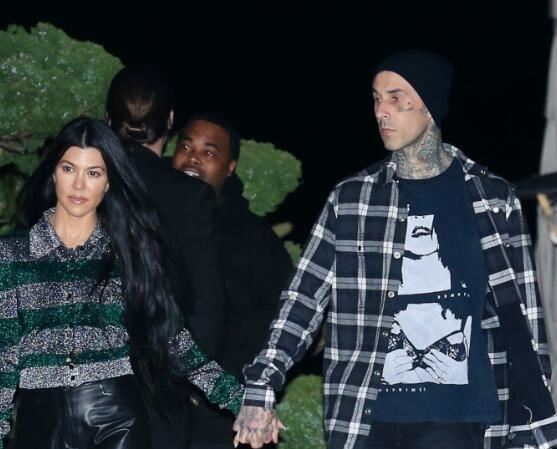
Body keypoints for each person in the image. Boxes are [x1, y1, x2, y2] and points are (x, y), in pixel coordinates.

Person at [233, 50, 557, 449]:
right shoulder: (352, 200)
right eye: (375, 98)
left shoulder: (492, 198)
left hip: (458, 418)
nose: (381, 111)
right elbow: (303, 299)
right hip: (367, 416)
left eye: (396, 98)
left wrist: (534, 422)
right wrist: (262, 383)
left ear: (430, 105)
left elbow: (522, 316)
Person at [3, 117, 243, 449]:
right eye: (69, 169)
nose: (79, 185)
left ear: (108, 182)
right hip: (41, 421)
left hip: (117, 418)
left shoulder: (127, 252)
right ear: (54, 173)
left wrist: (241, 401)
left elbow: (172, 339)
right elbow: (4, 354)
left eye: (93, 173)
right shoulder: (13, 254)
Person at [106, 66, 228, 449]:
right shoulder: (190, 197)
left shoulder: (76, 184)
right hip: (157, 392)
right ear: (170, 120)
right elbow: (207, 304)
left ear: (109, 119)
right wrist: (189, 384)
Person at [172, 113, 293, 449]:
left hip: (218, 415)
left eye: (209, 152)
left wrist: (224, 381)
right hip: (145, 410)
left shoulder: (255, 239)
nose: (193, 158)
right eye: (186, 146)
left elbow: (281, 322)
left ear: (230, 167)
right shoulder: (143, 218)